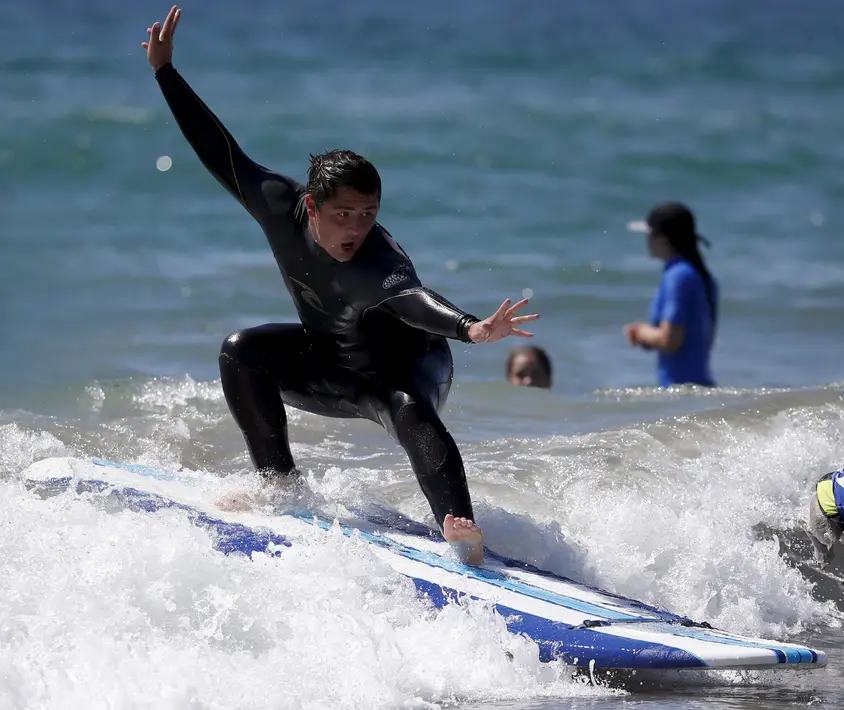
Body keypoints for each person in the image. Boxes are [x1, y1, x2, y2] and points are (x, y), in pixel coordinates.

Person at [140, 6, 539, 565]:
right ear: (311, 207)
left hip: (407, 367)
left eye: (369, 212)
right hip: (331, 361)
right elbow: (218, 149)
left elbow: (413, 301)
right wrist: (165, 72)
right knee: (242, 352)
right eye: (345, 214)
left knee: (407, 407)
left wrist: (469, 328)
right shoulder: (277, 204)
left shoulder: (378, 259)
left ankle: (463, 532)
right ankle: (281, 489)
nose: (357, 227)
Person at [623, 201, 719, 388]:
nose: (647, 241)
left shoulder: (678, 276)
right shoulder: (703, 277)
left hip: (682, 392)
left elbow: (671, 340)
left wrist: (641, 332)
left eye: (649, 235)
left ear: (663, 238)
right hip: (700, 388)